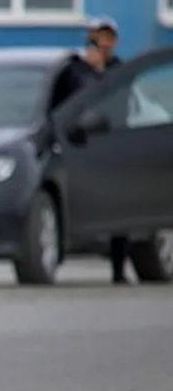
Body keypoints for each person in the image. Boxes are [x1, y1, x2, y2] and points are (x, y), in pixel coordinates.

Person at [50, 17, 130, 284]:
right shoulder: (74, 70)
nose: (103, 43)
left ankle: (118, 268)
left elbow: (120, 104)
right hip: (80, 145)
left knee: (119, 208)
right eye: (98, 38)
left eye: (108, 38)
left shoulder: (119, 69)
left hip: (112, 145)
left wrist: (101, 73)